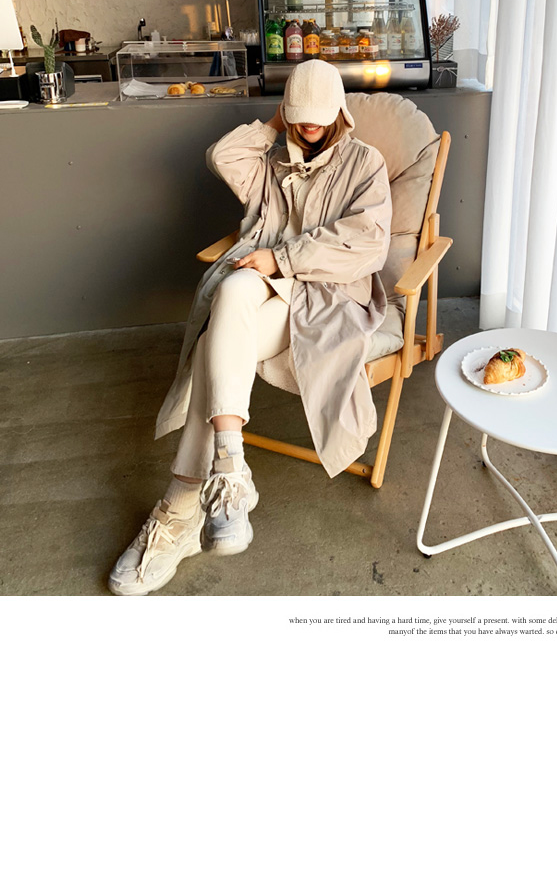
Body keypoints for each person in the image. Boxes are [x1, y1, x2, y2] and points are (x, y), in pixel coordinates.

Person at [109, 58, 393, 595]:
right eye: (299, 115)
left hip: (324, 293)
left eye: (319, 115)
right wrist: (277, 123)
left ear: (340, 111)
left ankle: (178, 511)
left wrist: (281, 258)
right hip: (259, 283)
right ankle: (230, 467)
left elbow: (368, 244)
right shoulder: (273, 156)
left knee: (214, 345)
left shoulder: (364, 162)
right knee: (234, 289)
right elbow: (222, 156)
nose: (309, 125)